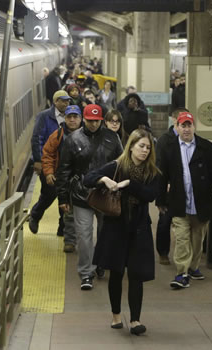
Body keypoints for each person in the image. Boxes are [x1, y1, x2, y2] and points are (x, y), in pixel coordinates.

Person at [84, 129, 161, 336]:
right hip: (115, 228)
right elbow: (88, 178)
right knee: (116, 273)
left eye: (147, 147)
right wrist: (104, 180)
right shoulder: (117, 166)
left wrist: (130, 185)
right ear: (131, 146)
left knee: (136, 275)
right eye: (141, 146)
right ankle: (116, 315)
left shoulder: (152, 172)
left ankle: (135, 320)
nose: (144, 151)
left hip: (139, 230)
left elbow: (150, 195)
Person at [56, 104, 123, 290]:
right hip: (81, 195)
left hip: (106, 194)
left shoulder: (112, 138)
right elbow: (64, 170)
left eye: (96, 121)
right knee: (84, 236)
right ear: (84, 119)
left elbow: (121, 165)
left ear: (101, 120)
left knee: (105, 233)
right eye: (90, 120)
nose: (93, 124)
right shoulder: (73, 140)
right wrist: (62, 198)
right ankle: (86, 273)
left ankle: (101, 263)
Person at [156, 111, 212, 289]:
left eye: (189, 125)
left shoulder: (207, 147)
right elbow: (161, 176)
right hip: (179, 201)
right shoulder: (169, 148)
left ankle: (193, 267)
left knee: (197, 238)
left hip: (202, 202)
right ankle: (181, 273)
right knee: (182, 238)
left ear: (194, 126)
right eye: (182, 125)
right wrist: (160, 200)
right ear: (176, 127)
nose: (186, 129)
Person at [29, 90, 72, 235]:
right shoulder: (44, 116)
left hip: (66, 164)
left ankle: (63, 227)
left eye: (67, 101)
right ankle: (35, 214)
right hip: (49, 163)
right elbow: (37, 138)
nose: (66, 103)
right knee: (49, 193)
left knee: (65, 195)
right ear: (55, 102)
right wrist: (38, 160)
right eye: (63, 100)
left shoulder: (72, 116)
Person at [41, 105, 82, 252]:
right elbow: (47, 154)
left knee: (85, 213)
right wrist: (49, 172)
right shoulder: (58, 135)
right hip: (65, 179)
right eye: (69, 117)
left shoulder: (88, 134)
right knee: (68, 212)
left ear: (80, 118)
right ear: (65, 118)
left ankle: (84, 240)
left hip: (84, 179)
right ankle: (70, 241)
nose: (72, 120)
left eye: (75, 117)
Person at [154, 108, 189, 265]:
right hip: (169, 189)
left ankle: (186, 256)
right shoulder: (164, 141)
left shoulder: (191, 139)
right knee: (165, 221)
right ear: (175, 121)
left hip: (187, 189)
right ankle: (163, 252)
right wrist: (160, 197)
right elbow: (159, 168)